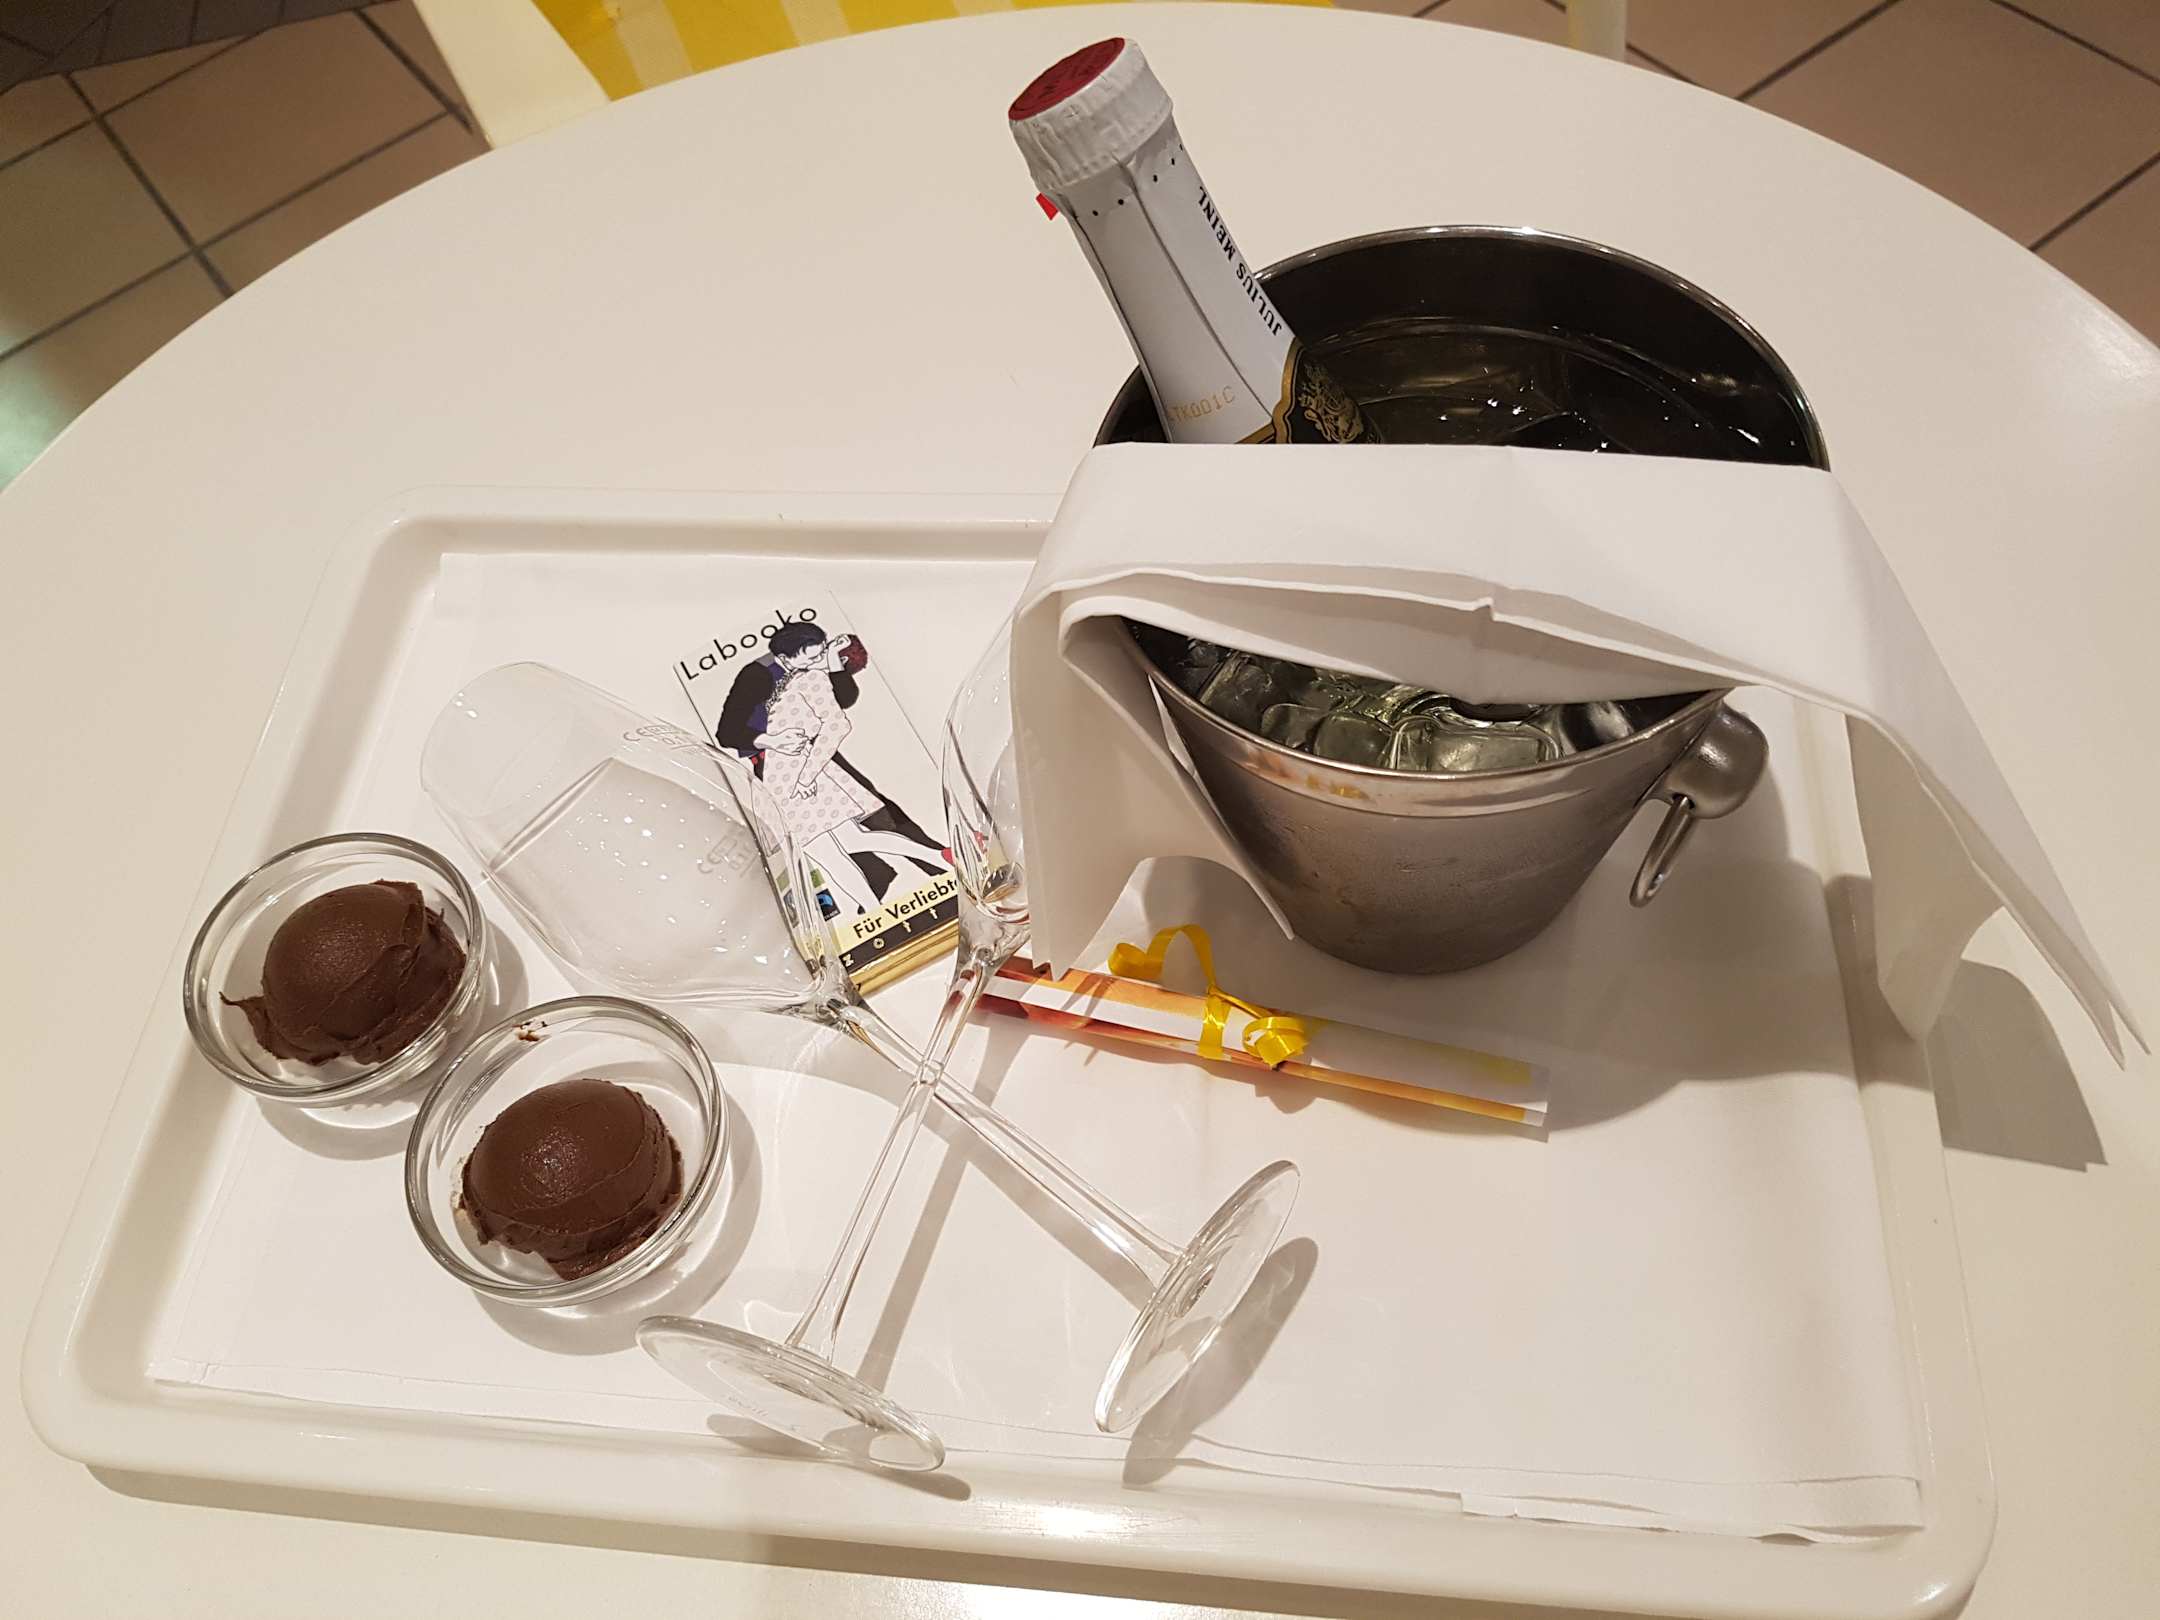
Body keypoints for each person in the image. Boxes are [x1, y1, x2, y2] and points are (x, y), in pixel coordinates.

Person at [715, 622, 947, 915]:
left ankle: (929, 864)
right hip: (775, 765)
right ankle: (905, 872)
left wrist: (834, 662)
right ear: (786, 657)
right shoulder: (758, 675)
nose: (818, 660)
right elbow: (727, 732)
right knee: (839, 837)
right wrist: (771, 740)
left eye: (820, 654)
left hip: (811, 753)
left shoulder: (809, 669)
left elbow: (844, 700)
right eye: (813, 656)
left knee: (866, 817)